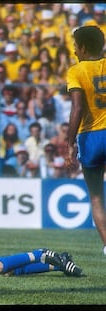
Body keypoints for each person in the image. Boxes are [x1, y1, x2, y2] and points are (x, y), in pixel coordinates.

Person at [65, 25, 106, 256]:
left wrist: (69, 143)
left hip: (90, 137)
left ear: (82, 47)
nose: (73, 51)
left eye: (74, 46)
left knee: (97, 197)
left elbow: (77, 108)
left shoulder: (76, 71)